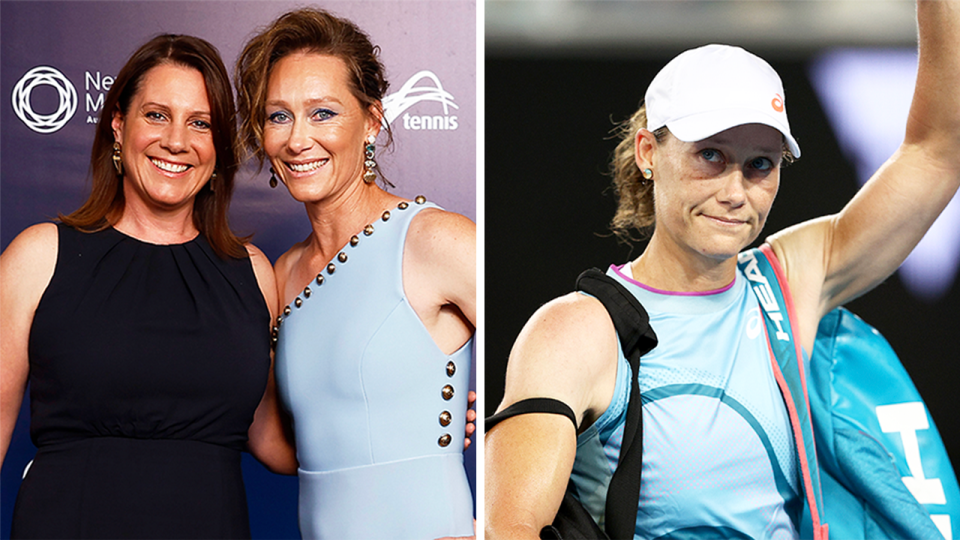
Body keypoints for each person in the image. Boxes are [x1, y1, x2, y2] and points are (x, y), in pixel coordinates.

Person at [485, 2, 960, 539]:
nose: (735, 193)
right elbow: (511, 531)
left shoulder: (787, 286)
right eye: (710, 156)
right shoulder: (575, 332)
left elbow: (936, 152)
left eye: (760, 164)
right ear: (648, 152)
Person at [0, 34, 281, 538]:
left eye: (201, 123)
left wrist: (409, 416)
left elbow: (273, 439)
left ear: (219, 146)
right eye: (156, 115)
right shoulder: (39, 256)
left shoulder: (253, 274)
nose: (177, 140)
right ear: (117, 125)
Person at [235, 8, 477, 540]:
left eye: (322, 113)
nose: (298, 139)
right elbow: (279, 447)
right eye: (279, 116)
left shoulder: (433, 238)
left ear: (370, 121)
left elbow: (543, 359)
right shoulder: (285, 271)